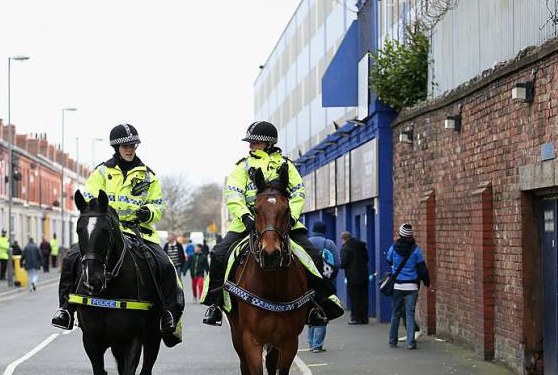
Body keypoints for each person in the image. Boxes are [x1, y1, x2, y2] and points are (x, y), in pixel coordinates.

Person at [202, 120, 341, 327]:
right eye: (250, 142)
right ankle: (215, 303)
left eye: (254, 142)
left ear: (267, 143)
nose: (250, 146)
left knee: (313, 256)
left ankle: (319, 303)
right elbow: (233, 195)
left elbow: (298, 193)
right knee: (219, 254)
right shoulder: (242, 167)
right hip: (247, 224)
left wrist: (290, 218)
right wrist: (245, 217)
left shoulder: (287, 165)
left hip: (283, 224)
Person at [51, 123, 184, 337]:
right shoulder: (101, 172)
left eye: (133, 145)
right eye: (125, 146)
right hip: (106, 230)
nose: (130, 149)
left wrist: (147, 213)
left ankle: (168, 313)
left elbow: (158, 206)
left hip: (138, 231)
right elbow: (90, 196)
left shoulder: (149, 176)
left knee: (165, 265)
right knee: (72, 259)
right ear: (116, 148)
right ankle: (65, 309)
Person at [386, 224, 430, 350]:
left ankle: (392, 340)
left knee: (396, 313)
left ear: (400, 234)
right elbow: (422, 269)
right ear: (410, 235)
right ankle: (411, 342)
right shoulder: (415, 250)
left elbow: (388, 260)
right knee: (410, 313)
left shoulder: (393, 248)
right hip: (412, 287)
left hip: (398, 286)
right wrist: (427, 282)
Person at [307, 221, 340, 353]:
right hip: (324, 283)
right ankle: (317, 345)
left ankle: (310, 343)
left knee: (310, 311)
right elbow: (337, 262)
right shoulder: (328, 243)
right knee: (322, 311)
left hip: (308, 283)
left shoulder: (306, 242)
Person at [340, 231, 370, 324]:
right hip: (364, 275)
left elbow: (344, 263)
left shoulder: (346, 248)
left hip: (352, 277)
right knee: (364, 297)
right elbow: (367, 259)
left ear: (344, 239)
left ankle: (356, 317)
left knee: (354, 297)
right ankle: (364, 317)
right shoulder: (362, 246)